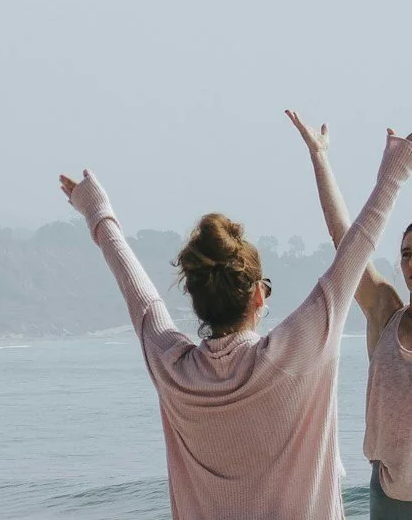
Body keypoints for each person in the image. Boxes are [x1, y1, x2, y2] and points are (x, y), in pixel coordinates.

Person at [58, 124, 412, 520]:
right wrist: (394, 172)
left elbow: (138, 294)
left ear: (196, 297)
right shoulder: (297, 350)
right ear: (258, 295)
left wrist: (98, 213)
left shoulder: (173, 369)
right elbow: (356, 249)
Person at [289, 110, 412, 518]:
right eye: (406, 254)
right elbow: (347, 242)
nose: (411, 263)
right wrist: (320, 159)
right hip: (390, 496)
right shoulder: (386, 312)